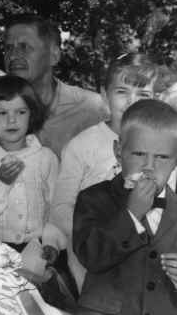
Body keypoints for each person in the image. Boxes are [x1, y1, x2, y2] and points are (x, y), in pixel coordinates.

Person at [49, 53, 159, 291]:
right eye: (122, 92)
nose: (132, 102)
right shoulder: (82, 145)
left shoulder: (163, 146)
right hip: (93, 262)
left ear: (155, 99)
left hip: (146, 261)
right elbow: (60, 208)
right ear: (104, 94)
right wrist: (96, 238)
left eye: (143, 95)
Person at [73, 99, 177, 315]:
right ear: (118, 151)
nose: (149, 166)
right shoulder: (93, 199)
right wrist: (131, 214)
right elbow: (91, 257)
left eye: (162, 157)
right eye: (139, 154)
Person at [0, 75, 62, 252]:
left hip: (39, 249)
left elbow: (57, 207)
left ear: (32, 114)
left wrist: (53, 243)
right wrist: (0, 182)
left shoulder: (46, 158)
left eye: (20, 112)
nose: (11, 120)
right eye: (2, 113)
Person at [4, 14, 108, 156]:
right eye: (8, 48)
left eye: (24, 47)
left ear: (54, 56)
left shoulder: (93, 110)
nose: (13, 56)